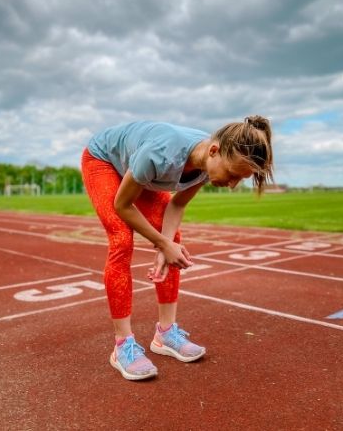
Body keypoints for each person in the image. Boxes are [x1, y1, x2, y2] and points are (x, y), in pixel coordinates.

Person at [81, 116, 274, 380]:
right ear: (214, 151)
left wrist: (166, 246)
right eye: (231, 175)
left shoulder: (206, 163)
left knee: (175, 240)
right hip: (103, 160)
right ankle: (122, 345)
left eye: (239, 179)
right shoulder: (160, 154)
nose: (231, 185)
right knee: (122, 239)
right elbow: (122, 205)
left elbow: (177, 205)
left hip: (137, 169)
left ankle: (165, 333)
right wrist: (160, 242)